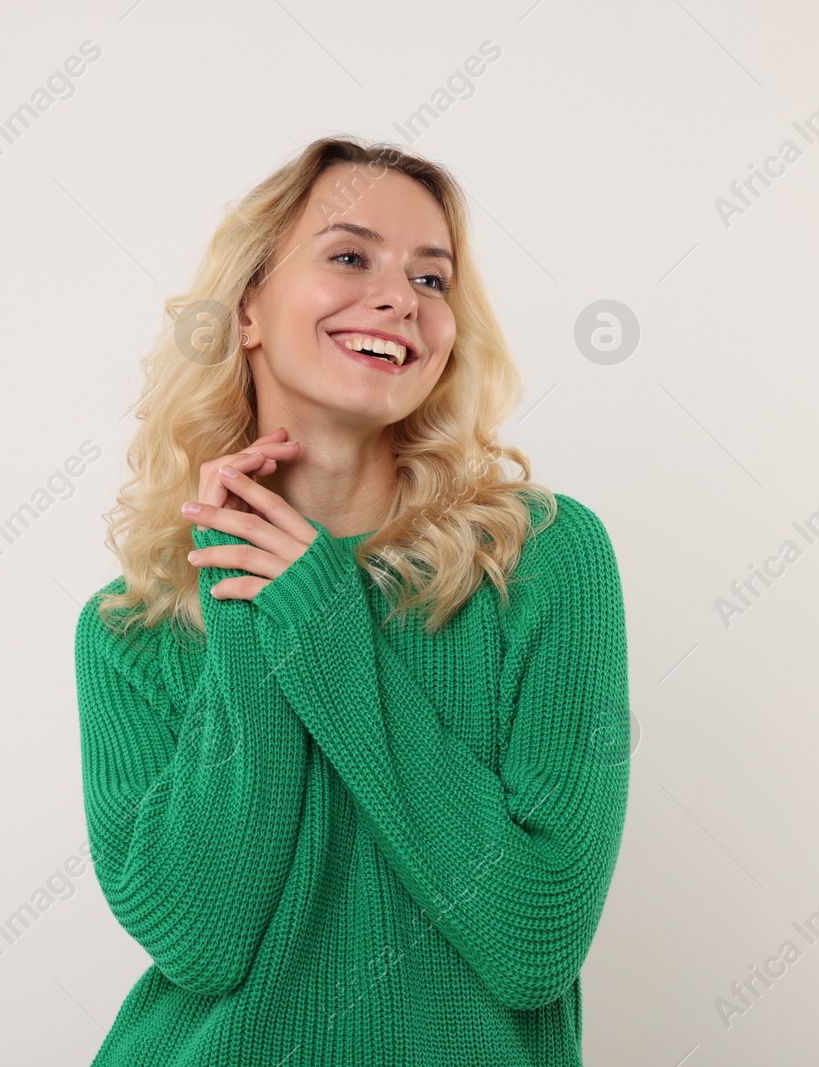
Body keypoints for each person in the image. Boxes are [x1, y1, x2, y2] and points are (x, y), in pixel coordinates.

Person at [75, 135, 631, 1065]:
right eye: (348, 257)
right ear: (247, 306)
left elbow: (535, 938)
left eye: (433, 278)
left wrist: (325, 622)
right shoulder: (134, 625)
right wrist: (249, 610)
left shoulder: (539, 562)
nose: (399, 298)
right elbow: (203, 941)